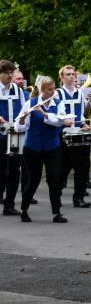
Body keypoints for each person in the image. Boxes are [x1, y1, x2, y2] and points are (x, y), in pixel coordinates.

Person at [18, 76, 73, 223]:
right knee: (34, 180)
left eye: (54, 88)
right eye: (49, 90)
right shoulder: (32, 103)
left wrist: (44, 113)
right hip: (32, 147)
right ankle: (23, 210)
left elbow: (59, 121)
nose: (53, 92)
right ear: (42, 90)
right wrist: (22, 119)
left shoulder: (58, 103)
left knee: (54, 179)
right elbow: (19, 126)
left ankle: (56, 213)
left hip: (52, 146)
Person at [57, 64, 91, 209]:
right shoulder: (58, 94)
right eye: (68, 74)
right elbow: (56, 114)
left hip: (78, 133)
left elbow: (80, 114)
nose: (71, 77)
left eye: (73, 74)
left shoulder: (80, 93)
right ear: (62, 77)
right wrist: (63, 120)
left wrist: (84, 124)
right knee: (62, 167)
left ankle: (79, 197)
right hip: (64, 134)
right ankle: (57, 196)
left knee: (82, 167)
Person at [1, 60, 28, 216]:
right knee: (1, 170)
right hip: (0, 135)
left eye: (11, 72)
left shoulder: (18, 91)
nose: (9, 76)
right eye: (6, 73)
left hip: (15, 133)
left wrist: (23, 117)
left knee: (13, 170)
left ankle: (9, 204)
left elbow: (24, 109)